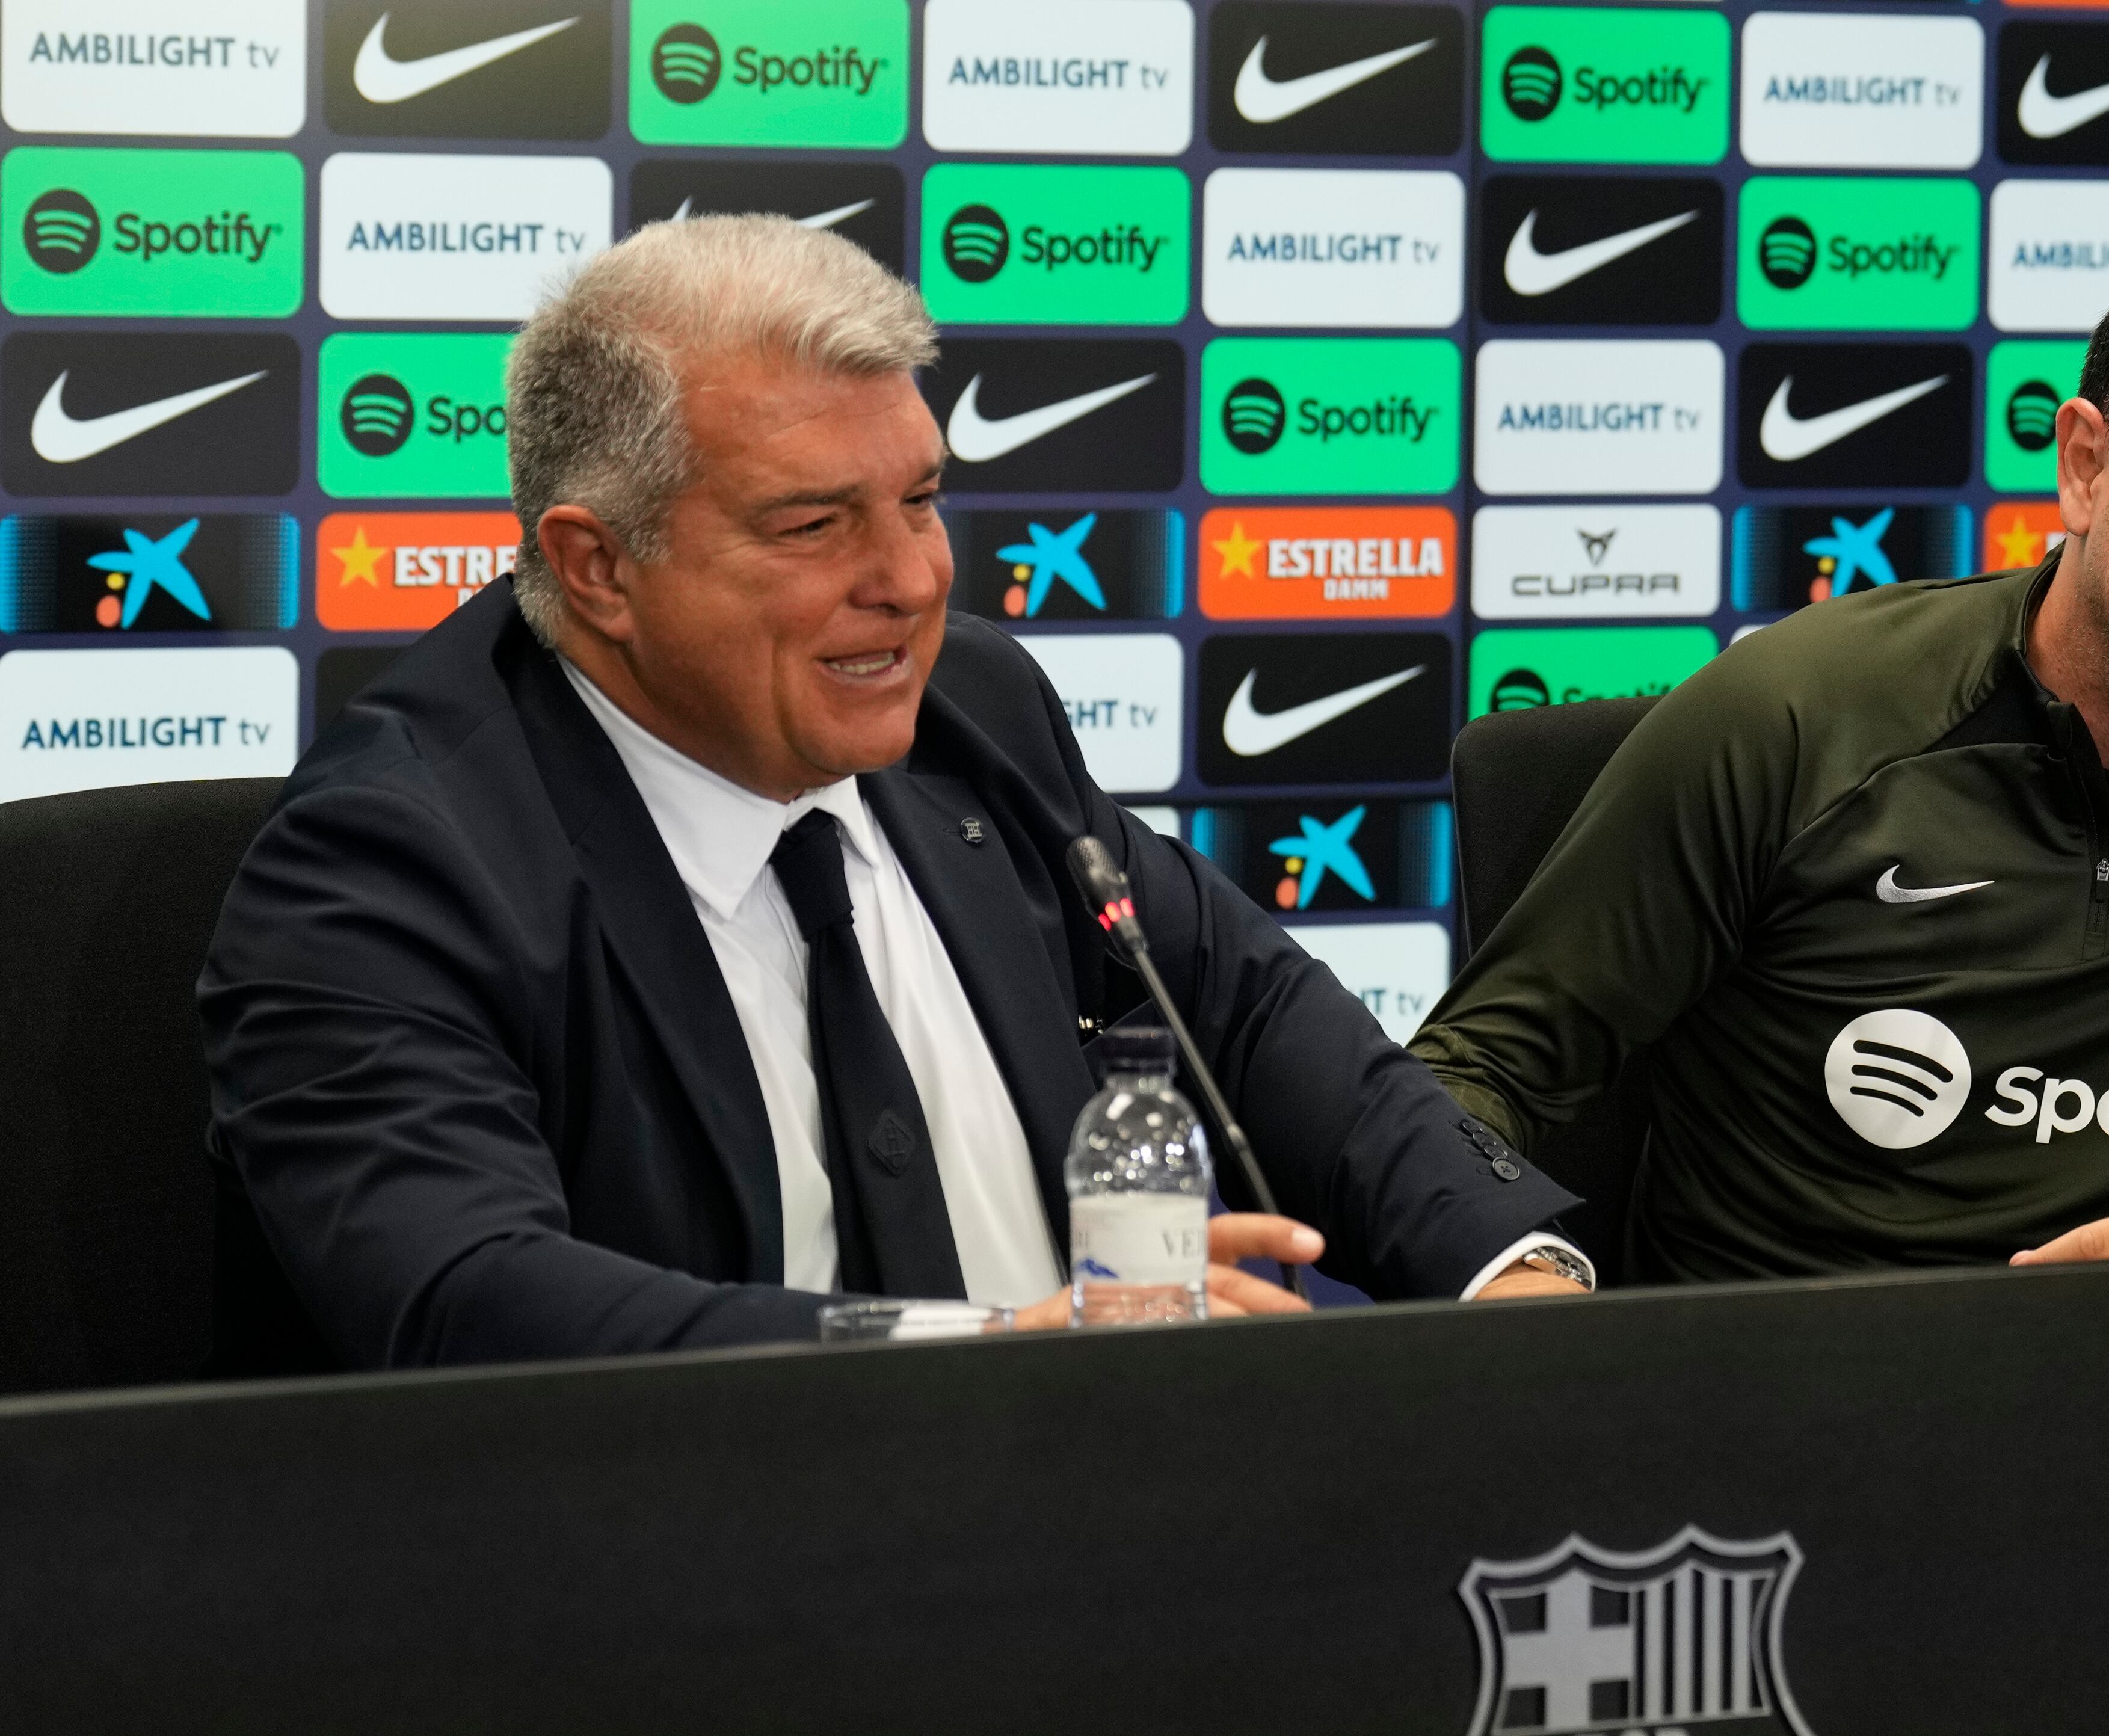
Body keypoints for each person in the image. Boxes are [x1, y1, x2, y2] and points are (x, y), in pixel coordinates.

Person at [201, 217, 1588, 1371]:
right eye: (814, 524)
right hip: (678, 1619)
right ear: (600, 568)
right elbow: (468, 1301)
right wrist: (990, 1347)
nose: (912, 579)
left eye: (919, 500)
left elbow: (1250, 999)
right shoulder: (392, 862)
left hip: (1104, 1555)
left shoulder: (970, 712)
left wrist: (1504, 1267)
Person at [1412, 243, 2109, 1282]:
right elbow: (1473, 1071)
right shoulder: (1799, 712)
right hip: (1759, 1439)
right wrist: (1522, 1268)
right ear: (2087, 466)